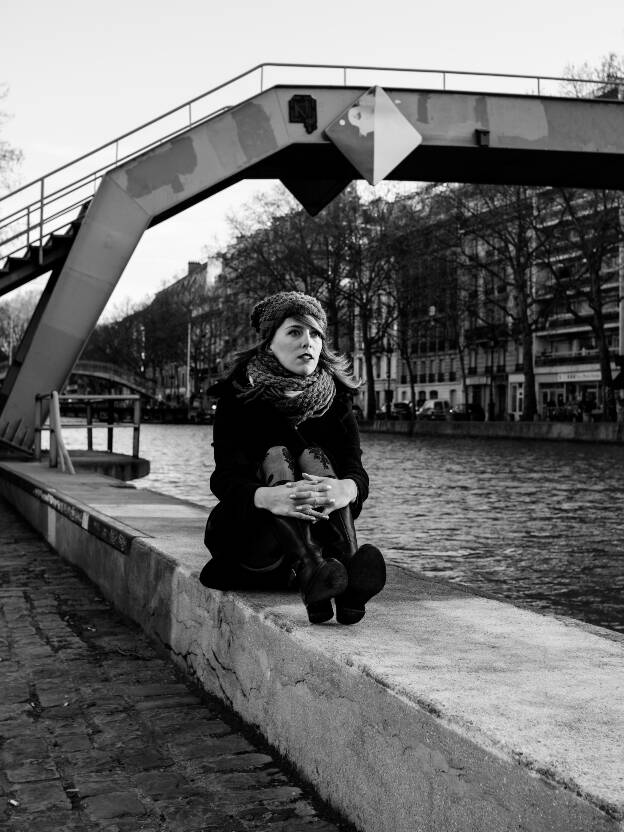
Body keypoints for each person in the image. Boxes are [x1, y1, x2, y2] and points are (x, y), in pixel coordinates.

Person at [199, 291, 386, 625]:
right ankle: (321, 570)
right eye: (295, 332)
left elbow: (355, 468)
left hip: (321, 536)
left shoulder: (336, 398)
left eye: (315, 333)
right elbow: (225, 478)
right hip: (255, 539)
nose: (308, 342)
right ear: (269, 342)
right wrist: (268, 497)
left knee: (319, 461)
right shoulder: (237, 396)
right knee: (278, 455)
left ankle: (341, 571)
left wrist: (347, 489)